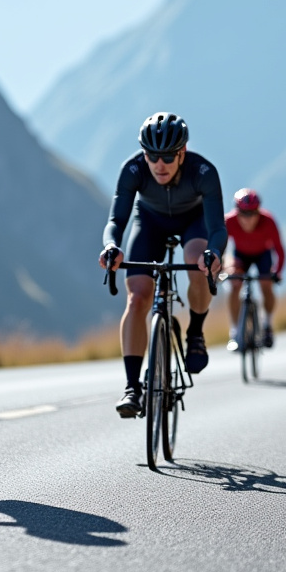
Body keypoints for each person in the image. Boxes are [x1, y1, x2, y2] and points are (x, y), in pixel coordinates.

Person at [99, 112, 225, 419]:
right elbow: (116, 221)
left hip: (193, 222)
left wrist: (214, 253)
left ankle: (195, 332)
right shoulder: (133, 170)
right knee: (138, 296)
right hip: (150, 222)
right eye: (152, 155)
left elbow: (217, 228)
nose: (159, 164)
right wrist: (111, 247)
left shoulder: (203, 172)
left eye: (168, 156)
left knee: (196, 262)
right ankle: (132, 387)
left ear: (182, 152)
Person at [224, 188, 285, 350]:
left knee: (266, 284)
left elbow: (279, 250)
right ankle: (235, 332)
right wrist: (225, 267)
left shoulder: (269, 221)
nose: (248, 218)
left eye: (253, 213)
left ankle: (267, 324)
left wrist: (277, 272)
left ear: (259, 211)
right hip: (240, 255)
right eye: (244, 213)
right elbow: (221, 248)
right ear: (237, 211)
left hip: (262, 255)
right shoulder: (229, 221)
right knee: (234, 284)